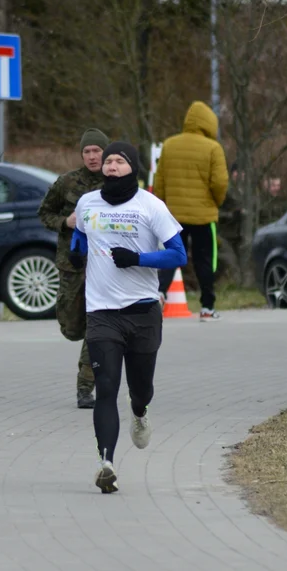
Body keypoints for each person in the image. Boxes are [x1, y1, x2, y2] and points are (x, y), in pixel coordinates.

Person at [70, 142, 187, 493]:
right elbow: (80, 236)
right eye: (108, 161)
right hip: (102, 313)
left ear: (132, 168)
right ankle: (106, 463)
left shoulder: (151, 206)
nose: (111, 166)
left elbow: (177, 254)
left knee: (140, 389)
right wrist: (77, 253)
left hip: (143, 312)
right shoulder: (87, 203)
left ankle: (139, 411)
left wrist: (138, 259)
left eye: (119, 161)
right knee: (106, 388)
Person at [37, 128, 109, 408]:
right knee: (72, 325)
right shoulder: (67, 183)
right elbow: (44, 213)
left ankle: (85, 389)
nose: (92, 156)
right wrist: (64, 222)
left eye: (97, 151)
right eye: (87, 152)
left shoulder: (117, 182)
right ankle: (73, 328)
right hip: (72, 264)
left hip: (104, 265)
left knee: (96, 326)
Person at [153, 101, 229, 320]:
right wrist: (215, 202)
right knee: (205, 261)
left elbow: (160, 181)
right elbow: (220, 183)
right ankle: (207, 308)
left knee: (171, 257)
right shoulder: (213, 148)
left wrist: (162, 207)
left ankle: (158, 294)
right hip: (204, 217)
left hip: (173, 216)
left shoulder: (170, 145)